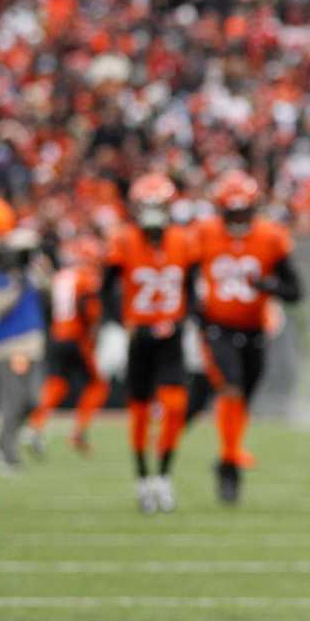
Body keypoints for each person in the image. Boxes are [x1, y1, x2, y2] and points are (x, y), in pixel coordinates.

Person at [191, 171, 302, 505]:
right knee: (232, 389)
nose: (238, 219)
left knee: (243, 399)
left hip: (254, 329)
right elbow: (182, 275)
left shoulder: (271, 237)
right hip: (217, 327)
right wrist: (196, 313)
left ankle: (227, 456)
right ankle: (229, 463)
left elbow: (295, 290)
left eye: (243, 212)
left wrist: (270, 287)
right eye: (232, 212)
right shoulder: (203, 234)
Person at [105, 174, 199, 513]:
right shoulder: (125, 241)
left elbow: (193, 287)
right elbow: (107, 288)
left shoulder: (184, 241)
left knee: (175, 407)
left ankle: (164, 476)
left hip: (171, 337)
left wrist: (187, 320)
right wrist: (123, 322)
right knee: (140, 413)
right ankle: (143, 478)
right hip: (140, 337)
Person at [31, 236, 109, 455]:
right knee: (97, 384)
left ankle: (36, 423)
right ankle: (79, 431)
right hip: (77, 337)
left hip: (57, 335)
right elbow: (89, 310)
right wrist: (92, 334)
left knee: (57, 383)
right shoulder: (87, 277)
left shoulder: (61, 276)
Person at [0, 228, 50, 470]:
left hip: (32, 345)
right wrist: (14, 285)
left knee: (34, 399)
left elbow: (50, 289)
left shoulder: (30, 275)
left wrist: (39, 271)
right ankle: (7, 452)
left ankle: (2, 441)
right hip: (8, 345)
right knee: (14, 401)